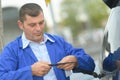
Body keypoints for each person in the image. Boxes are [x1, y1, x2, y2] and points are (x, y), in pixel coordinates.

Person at [0, 3, 95, 80]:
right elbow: (2, 77)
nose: (38, 28)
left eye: (41, 23)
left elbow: (90, 64)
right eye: (32, 25)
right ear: (21, 25)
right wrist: (30, 71)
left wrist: (76, 61)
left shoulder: (58, 42)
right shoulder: (11, 50)